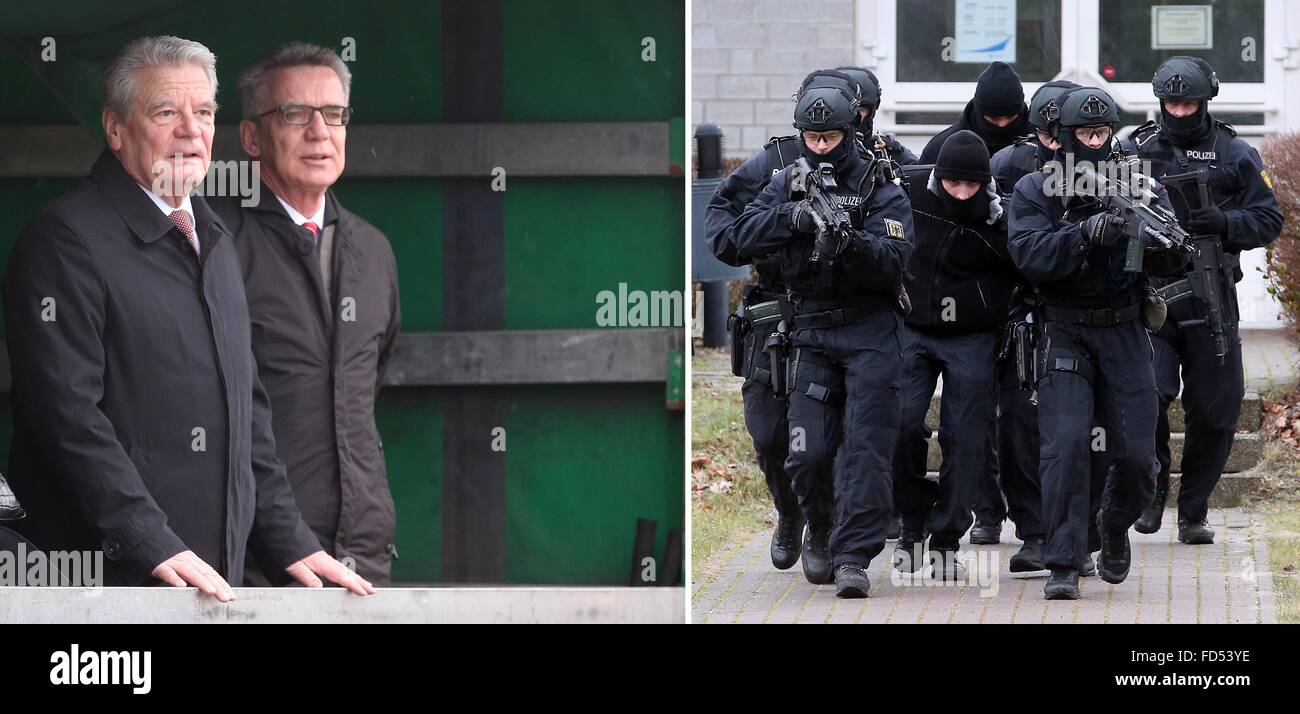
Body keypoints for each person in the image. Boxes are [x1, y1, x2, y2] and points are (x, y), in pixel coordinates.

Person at [1, 36, 373, 600]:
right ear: (116, 128)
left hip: (205, 585)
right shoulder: (65, 240)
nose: (190, 130)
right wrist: (150, 541)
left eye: (202, 112)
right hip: (104, 591)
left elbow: (248, 415)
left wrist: (292, 542)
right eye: (166, 112)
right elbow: (66, 418)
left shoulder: (213, 240)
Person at [210, 43, 402, 586]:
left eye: (334, 114)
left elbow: (366, 383)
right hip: (254, 560)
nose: (320, 131)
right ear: (251, 137)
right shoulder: (215, 243)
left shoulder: (375, 250)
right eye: (295, 114)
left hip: (363, 555)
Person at [724, 77, 914, 598]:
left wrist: (847, 243)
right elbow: (735, 238)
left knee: (866, 448)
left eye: (830, 137)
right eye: (812, 137)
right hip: (810, 330)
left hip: (871, 330)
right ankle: (821, 528)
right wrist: (795, 218)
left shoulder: (880, 185)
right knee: (805, 449)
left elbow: (897, 259)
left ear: (849, 131)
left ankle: (854, 556)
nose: (821, 146)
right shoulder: (785, 181)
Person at [1007, 87, 1184, 600]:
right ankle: (1064, 561)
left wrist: (1155, 241)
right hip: (1063, 328)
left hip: (1124, 328)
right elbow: (1031, 256)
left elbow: (1175, 260)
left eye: (1102, 133)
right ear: (1063, 138)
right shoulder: (1035, 189)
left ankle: (1112, 526)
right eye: (1084, 134)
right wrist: (1088, 232)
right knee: (1064, 448)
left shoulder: (1140, 184)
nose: (1094, 141)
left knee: (1135, 455)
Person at [1124, 57, 1283, 543]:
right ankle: (1151, 489)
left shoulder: (1234, 152)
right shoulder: (1136, 149)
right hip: (1152, 296)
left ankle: (1193, 509)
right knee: (1146, 397)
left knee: (1217, 408)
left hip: (1211, 293)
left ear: (1205, 101)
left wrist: (1227, 223)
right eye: (1171, 102)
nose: (1179, 110)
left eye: (1188, 102)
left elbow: (1269, 217)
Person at [891, 130, 1014, 580]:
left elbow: (1025, 268)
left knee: (965, 437)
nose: (962, 193)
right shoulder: (908, 193)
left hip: (973, 336)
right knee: (899, 424)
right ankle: (911, 518)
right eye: (953, 184)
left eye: (972, 185)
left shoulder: (1000, 218)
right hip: (913, 326)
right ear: (938, 178)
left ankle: (945, 537)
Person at [919, 61, 1030, 164]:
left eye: (1010, 117)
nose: (1002, 124)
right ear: (979, 113)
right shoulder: (940, 150)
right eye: (993, 118)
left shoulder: (1041, 142)